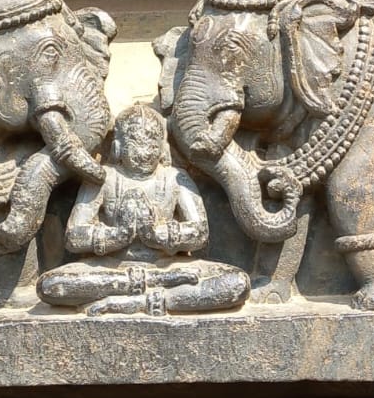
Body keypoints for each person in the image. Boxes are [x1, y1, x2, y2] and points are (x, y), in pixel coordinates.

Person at [38, 104, 247, 315]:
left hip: (170, 265)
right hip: (111, 268)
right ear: (118, 146)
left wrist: (157, 235)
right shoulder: (103, 178)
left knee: (236, 283)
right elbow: (74, 237)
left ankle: (147, 301)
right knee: (51, 285)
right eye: (135, 144)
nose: (145, 152)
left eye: (152, 145)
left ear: (163, 148)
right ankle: (149, 283)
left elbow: (200, 233)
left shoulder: (175, 178)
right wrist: (119, 235)